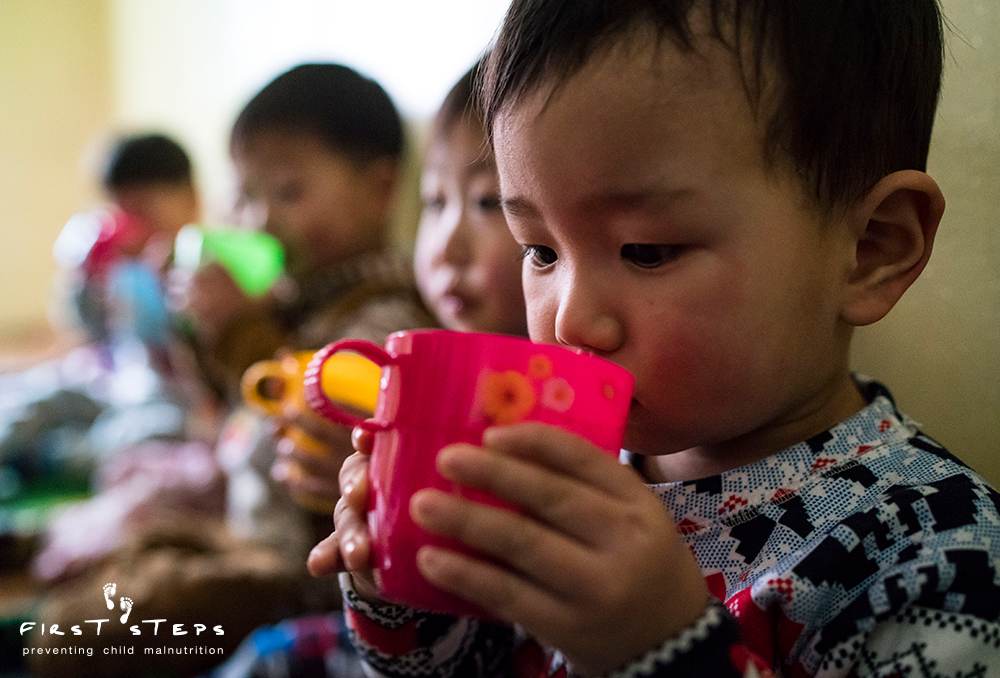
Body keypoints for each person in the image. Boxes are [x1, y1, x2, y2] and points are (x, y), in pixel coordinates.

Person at [312, 2, 1000, 677]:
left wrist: (664, 652)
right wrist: (404, 585)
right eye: (540, 251)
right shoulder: (566, 464)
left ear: (873, 249)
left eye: (646, 251)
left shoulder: (940, 555)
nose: (567, 322)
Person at [208, 57, 529, 678]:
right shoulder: (300, 298)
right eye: (434, 201)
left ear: (380, 191)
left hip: (305, 576)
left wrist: (238, 331)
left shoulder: (388, 326)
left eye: (489, 202)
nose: (446, 243)